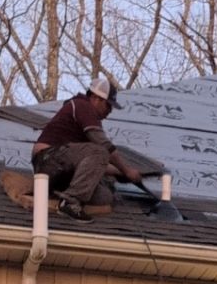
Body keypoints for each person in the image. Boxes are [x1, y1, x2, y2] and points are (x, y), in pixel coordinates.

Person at [31, 73, 141, 218]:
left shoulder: (86, 122)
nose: (109, 111)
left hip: (63, 170)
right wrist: (127, 170)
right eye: (108, 105)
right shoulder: (82, 105)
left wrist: (120, 173)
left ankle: (62, 194)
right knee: (101, 151)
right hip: (47, 160)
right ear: (96, 98)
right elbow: (104, 147)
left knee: (105, 197)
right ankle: (69, 202)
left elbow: (95, 163)